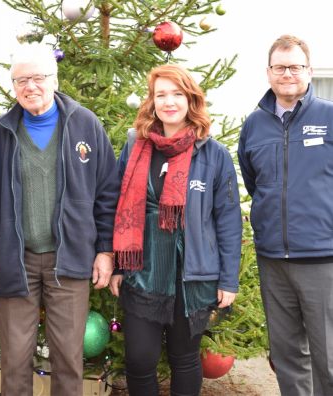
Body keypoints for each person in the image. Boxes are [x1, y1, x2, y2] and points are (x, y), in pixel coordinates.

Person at [0, 43, 120, 396]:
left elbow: (108, 194)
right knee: (15, 360)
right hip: (15, 262)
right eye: (22, 80)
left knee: (68, 358)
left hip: (69, 261)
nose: (30, 86)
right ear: (13, 85)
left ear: (54, 78)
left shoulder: (85, 124)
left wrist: (105, 251)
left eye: (38, 77)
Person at [109, 64, 242, 396]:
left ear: (190, 99)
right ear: (151, 102)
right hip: (143, 270)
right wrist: (116, 265)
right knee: (140, 359)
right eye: (161, 95)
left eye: (177, 94)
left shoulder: (214, 153)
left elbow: (227, 220)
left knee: (184, 358)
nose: (169, 102)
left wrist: (228, 279)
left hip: (192, 275)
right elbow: (118, 206)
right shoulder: (136, 145)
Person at [238, 34, 333, 396]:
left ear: (309, 70)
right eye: (280, 67)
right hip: (273, 259)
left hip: (322, 259)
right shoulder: (254, 125)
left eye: (295, 66)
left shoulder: (329, 116)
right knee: (287, 353)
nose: (288, 74)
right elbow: (254, 182)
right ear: (268, 72)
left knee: (328, 357)